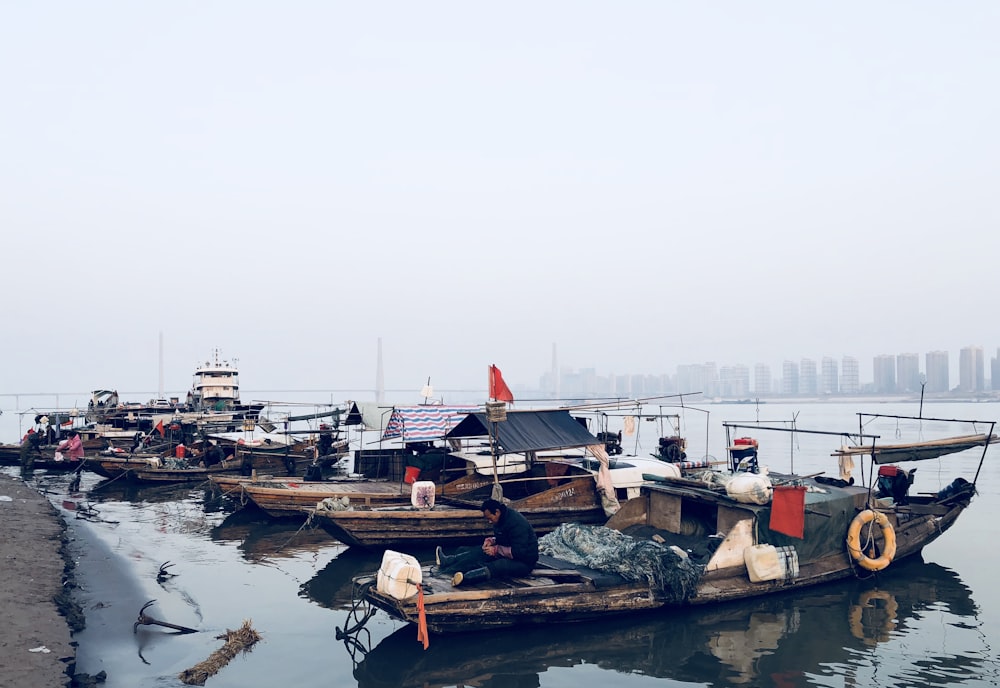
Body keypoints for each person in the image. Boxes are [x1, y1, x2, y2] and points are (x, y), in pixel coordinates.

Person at [435, 498, 539, 587]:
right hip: (509, 554)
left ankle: (465, 579)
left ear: (497, 512)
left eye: (490, 518)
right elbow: (505, 539)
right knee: (480, 551)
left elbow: (519, 552)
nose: (489, 522)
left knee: (499, 565)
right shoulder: (501, 520)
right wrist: (492, 541)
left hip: (524, 562)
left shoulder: (516, 523)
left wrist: (496, 550)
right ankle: (448, 561)